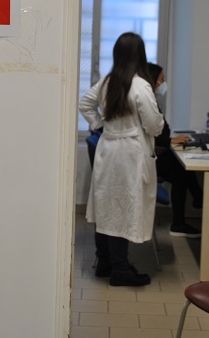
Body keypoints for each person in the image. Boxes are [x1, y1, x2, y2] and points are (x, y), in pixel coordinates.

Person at [79, 32, 164, 287]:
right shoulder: (140, 86)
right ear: (140, 55)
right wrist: (158, 125)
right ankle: (120, 269)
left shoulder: (107, 82)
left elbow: (85, 104)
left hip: (108, 149)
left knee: (107, 207)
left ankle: (105, 262)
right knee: (124, 209)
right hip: (130, 153)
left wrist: (98, 125)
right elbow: (154, 125)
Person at [147, 63, 203, 238]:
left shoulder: (152, 101)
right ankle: (194, 204)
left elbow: (163, 130)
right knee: (180, 170)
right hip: (145, 159)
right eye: (162, 80)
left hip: (153, 152)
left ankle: (196, 201)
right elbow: (152, 134)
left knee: (179, 168)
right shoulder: (146, 102)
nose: (164, 84)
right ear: (152, 81)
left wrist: (165, 141)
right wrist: (167, 141)